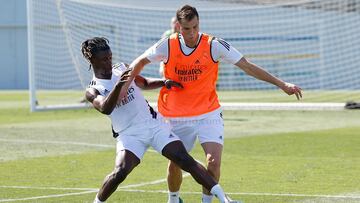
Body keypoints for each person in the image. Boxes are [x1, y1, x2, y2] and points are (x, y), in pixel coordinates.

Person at [121, 5, 303, 203]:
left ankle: (206, 201)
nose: (191, 33)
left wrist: (282, 84)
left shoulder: (214, 45)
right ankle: (174, 199)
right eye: (186, 29)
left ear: (199, 24)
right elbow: (138, 62)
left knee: (213, 163)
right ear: (178, 27)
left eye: (195, 27)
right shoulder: (167, 44)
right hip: (174, 115)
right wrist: (122, 87)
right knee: (175, 164)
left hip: (208, 113)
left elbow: (247, 66)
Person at [81, 37, 240, 203]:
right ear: (92, 60)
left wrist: (164, 82)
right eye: (104, 59)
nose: (108, 62)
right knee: (120, 171)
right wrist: (119, 85)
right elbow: (105, 107)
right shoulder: (93, 89)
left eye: (110, 57)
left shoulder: (121, 68)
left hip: (154, 125)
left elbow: (143, 82)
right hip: (129, 135)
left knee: (184, 159)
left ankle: (225, 199)